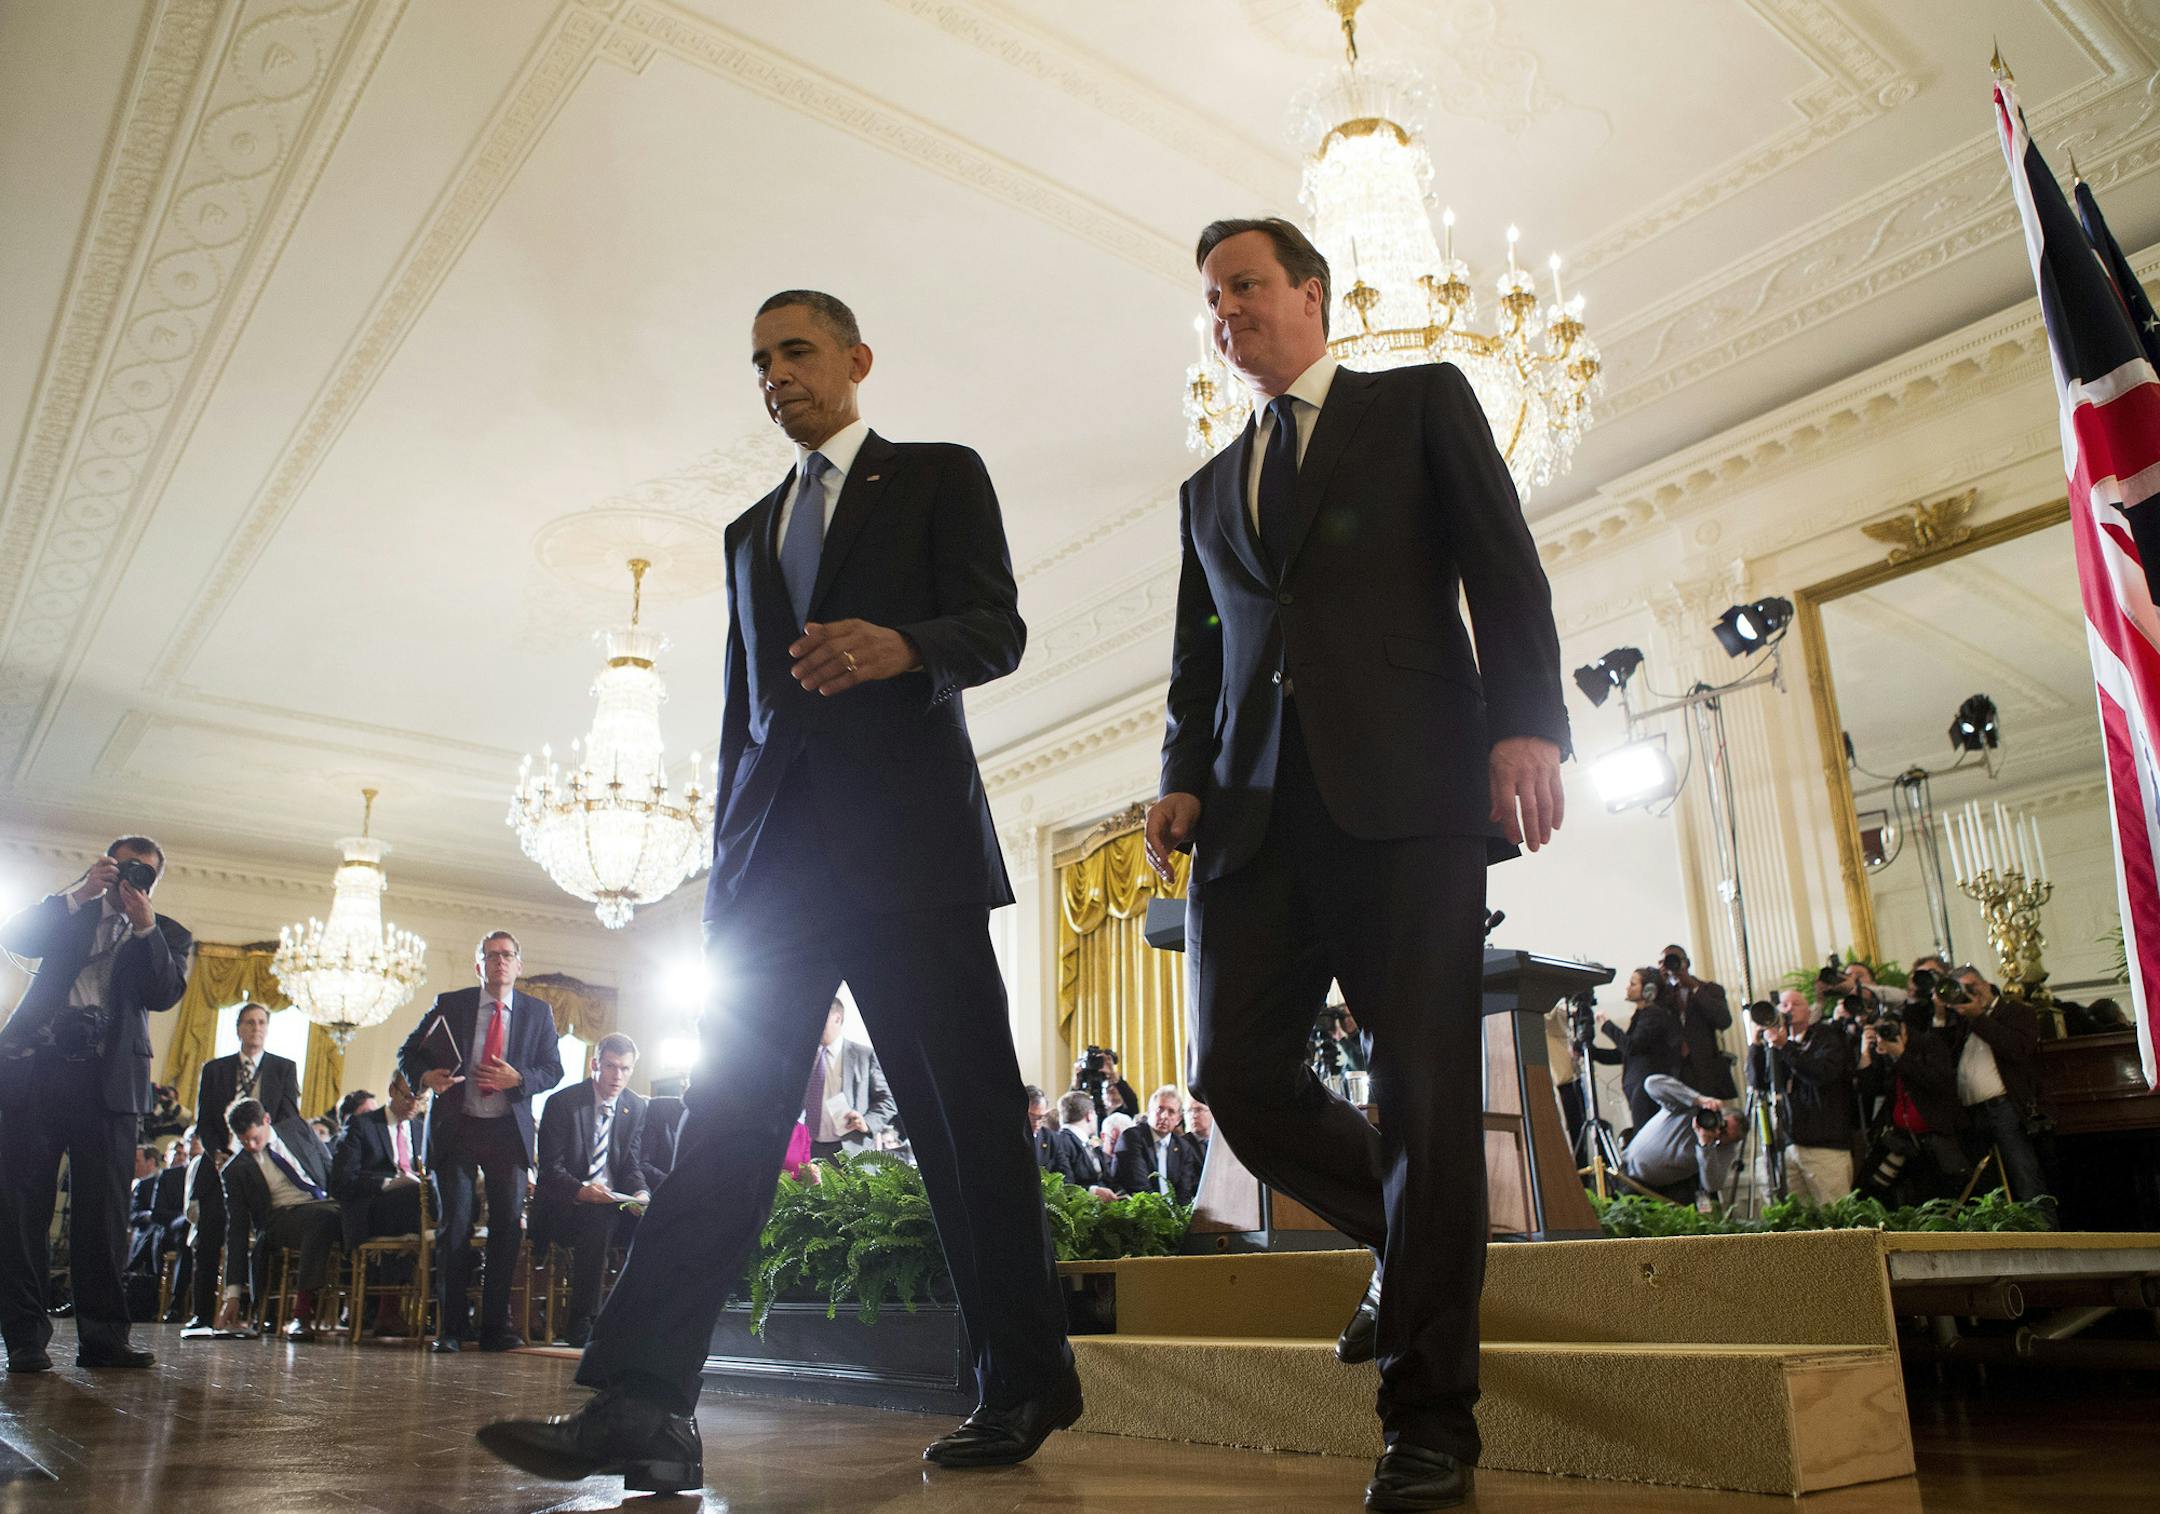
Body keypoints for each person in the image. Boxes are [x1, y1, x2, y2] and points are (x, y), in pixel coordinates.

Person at [479, 289, 1074, 1495]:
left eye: (796, 351)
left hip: (911, 859)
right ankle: (645, 1405)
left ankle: (1021, 1380)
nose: (775, 375)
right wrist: (723, 884)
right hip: (773, 877)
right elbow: (741, 718)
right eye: (759, 361)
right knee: (724, 1128)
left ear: (857, 359)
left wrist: (906, 645)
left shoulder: (939, 473)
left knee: (964, 1124)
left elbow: (998, 627)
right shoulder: (750, 531)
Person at [1143, 217, 1569, 1512]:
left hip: (1410, 800)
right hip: (1250, 822)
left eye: (1246, 286)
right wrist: (1182, 769)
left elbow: (1504, 567)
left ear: (1312, 292)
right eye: (1212, 297)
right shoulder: (1207, 489)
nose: (1227, 312)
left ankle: (1430, 1420)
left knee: (1425, 1093)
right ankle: (1410, 1234)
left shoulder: (1421, 401)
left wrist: (1526, 724)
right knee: (1237, 1077)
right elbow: (1201, 660)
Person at [0, 839, 192, 1374]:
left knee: (104, 1215)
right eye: (124, 865)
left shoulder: (168, 933)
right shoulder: (72, 911)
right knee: (21, 1209)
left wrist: (146, 926)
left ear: (157, 880)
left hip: (110, 1086)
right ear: (106, 865)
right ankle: (25, 1340)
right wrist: (82, 892)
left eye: (145, 872)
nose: (133, 877)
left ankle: (105, 1340)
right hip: (37, 1072)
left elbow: (164, 993)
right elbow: (14, 935)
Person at [396, 930, 563, 1353]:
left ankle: (493, 1328)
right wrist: (424, 1076)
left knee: (507, 1226)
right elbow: (407, 1052)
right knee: (455, 1224)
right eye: (491, 956)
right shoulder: (451, 1004)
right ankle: (450, 1329)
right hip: (458, 1128)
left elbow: (553, 1070)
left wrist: (519, 1079)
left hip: (507, 1131)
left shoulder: (538, 1013)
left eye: (507, 955)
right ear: (479, 966)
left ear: (519, 965)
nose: (499, 961)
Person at [532, 1034, 657, 1347]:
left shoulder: (634, 1106)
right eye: (611, 1066)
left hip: (612, 1202)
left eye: (625, 1069)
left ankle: (641, 1320)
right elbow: (550, 1171)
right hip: (566, 1206)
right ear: (595, 1065)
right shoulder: (563, 1103)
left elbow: (630, 1166)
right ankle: (582, 1321)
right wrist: (583, 1191)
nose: (617, 1076)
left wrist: (641, 1194)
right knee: (598, 1219)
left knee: (657, 1221)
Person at [186, 1001, 301, 1333]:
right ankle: (202, 1314)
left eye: (262, 1022)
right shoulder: (215, 1069)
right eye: (250, 1022)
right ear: (238, 1028)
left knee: (267, 1235)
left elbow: (289, 1118)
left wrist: (265, 1149)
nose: (256, 1028)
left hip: (263, 1165)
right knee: (209, 1235)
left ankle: (261, 1312)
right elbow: (204, 1122)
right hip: (219, 1163)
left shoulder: (283, 1068)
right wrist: (217, 1153)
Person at [215, 1099, 340, 1342]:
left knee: (359, 1212)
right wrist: (233, 1294)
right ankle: (301, 1312)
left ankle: (382, 1311)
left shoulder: (297, 1129)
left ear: (267, 1120)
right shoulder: (235, 1170)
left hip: (325, 1202)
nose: (251, 1146)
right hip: (280, 1217)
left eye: (255, 1138)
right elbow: (237, 1229)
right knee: (322, 1219)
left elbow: (329, 1166)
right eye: (243, 1141)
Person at [1941, 966, 2051, 1215]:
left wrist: (1979, 1017)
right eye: (1962, 990)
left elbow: (2017, 1049)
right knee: (1989, 1186)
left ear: (1986, 984)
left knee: (2025, 1177)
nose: (1970, 993)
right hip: (1974, 1115)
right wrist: (1943, 1012)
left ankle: (2044, 1231)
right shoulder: (1961, 1023)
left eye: (1972, 986)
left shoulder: (2015, 1012)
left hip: (2006, 1109)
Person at [1746, 985, 1856, 1203]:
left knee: (1834, 1212)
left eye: (1796, 1004)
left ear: (1809, 1011)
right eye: (1784, 1005)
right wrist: (1756, 1043)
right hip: (1788, 1146)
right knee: (1797, 1217)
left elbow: (1820, 1073)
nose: (1789, 1009)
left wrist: (1785, 1047)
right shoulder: (1776, 1045)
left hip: (1825, 1146)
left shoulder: (1826, 1036)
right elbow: (1759, 1083)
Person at [1855, 1016, 1970, 1204]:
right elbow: (1869, 1090)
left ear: (1903, 1027)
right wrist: (1865, 1053)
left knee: (1934, 1198)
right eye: (1879, 1031)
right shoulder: (1883, 1053)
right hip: (1900, 1140)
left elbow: (1937, 1083)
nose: (1885, 1034)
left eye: (1888, 1028)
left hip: (1934, 1139)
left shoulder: (1928, 1044)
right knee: (1869, 1191)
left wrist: (1901, 1055)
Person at [1619, 1075, 1744, 1205]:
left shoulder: (1726, 1148)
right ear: (1719, 1114)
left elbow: (1712, 1185)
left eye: (1724, 1136)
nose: (1718, 1132)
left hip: (1658, 1192)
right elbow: (1651, 1083)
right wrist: (1699, 1100)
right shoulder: (1686, 1109)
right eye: (1722, 1126)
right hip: (1627, 1174)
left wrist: (1706, 1146)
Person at [800, 999, 896, 1158]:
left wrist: (867, 1123)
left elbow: (888, 1100)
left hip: (853, 1150)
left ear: (837, 1018)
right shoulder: (804, 1058)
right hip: (812, 1150)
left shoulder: (864, 1055)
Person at [1594, 967, 1683, 1132]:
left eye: (1633, 984)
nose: (1627, 987)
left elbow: (1631, 1047)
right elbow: (1622, 1054)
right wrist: (1590, 1051)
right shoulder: (1641, 1016)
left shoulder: (1654, 1015)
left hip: (1645, 1090)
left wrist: (1607, 1025)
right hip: (1637, 1089)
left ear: (1649, 990)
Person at [1660, 945, 1735, 1099]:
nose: (1668, 965)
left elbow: (1724, 1021)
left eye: (1673, 960)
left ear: (1686, 963)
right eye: (1663, 962)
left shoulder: (1711, 989)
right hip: (1674, 1071)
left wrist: (1694, 987)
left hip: (1705, 1070)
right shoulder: (1661, 995)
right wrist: (1660, 986)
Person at [1111, 1086, 1204, 1204]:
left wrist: (1178, 1213)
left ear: (1178, 1119)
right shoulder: (1131, 1138)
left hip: (1170, 1211)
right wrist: (1164, 1213)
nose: (1164, 1116)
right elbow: (1139, 1188)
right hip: (1137, 1208)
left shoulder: (1183, 1147)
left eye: (1171, 1112)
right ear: (1149, 1111)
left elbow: (1184, 1191)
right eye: (1160, 1109)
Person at [1041, 1092, 1113, 1197]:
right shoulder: (1062, 1142)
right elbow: (1064, 1184)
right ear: (1090, 1115)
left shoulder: (1086, 1142)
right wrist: (1093, 1192)